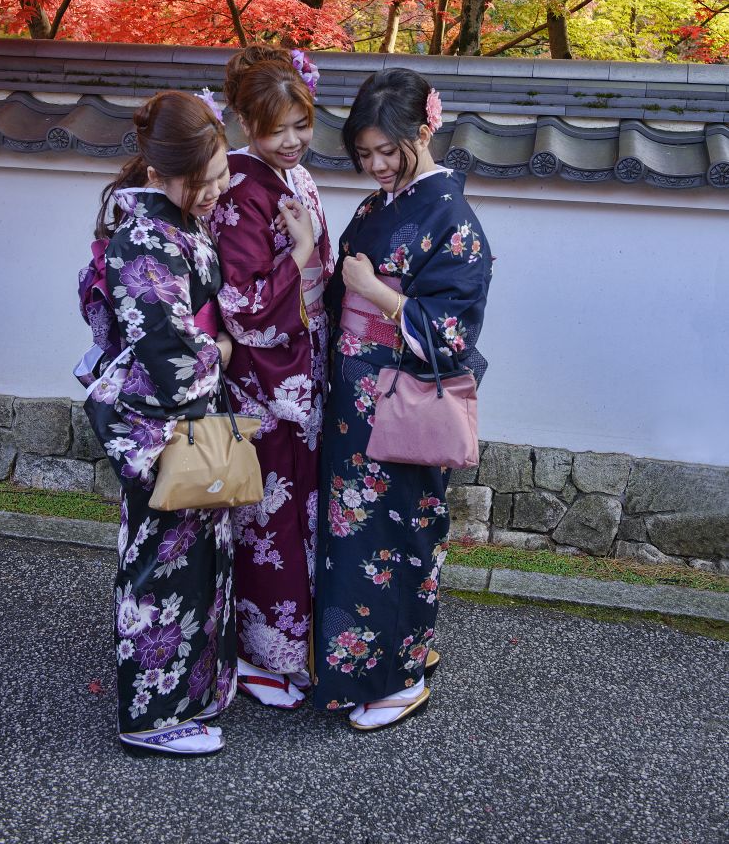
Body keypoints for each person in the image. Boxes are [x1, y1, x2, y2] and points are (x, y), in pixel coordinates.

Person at [313, 68, 492, 730]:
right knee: (352, 542)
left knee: (404, 537)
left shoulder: (454, 220)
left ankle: (402, 675)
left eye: (389, 151)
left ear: (424, 130)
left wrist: (381, 294)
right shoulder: (374, 209)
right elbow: (338, 294)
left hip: (403, 401)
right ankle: (359, 662)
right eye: (365, 154)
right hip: (354, 404)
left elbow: (452, 332)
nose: (377, 165)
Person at [77, 90, 236, 756]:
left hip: (189, 420)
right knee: (158, 571)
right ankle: (148, 718)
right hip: (160, 422)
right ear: (162, 172)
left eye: (221, 175)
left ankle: (189, 696)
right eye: (205, 182)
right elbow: (168, 358)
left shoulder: (172, 223)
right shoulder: (142, 238)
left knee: (195, 564)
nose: (215, 192)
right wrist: (222, 350)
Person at [210, 45, 333, 709]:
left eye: (300, 125)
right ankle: (262, 655)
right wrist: (307, 254)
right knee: (267, 518)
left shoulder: (298, 177)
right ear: (244, 122)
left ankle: (293, 648)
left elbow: (321, 276)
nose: (291, 141)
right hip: (268, 379)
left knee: (298, 513)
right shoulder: (238, 187)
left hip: (304, 368)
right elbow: (246, 304)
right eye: (275, 129)